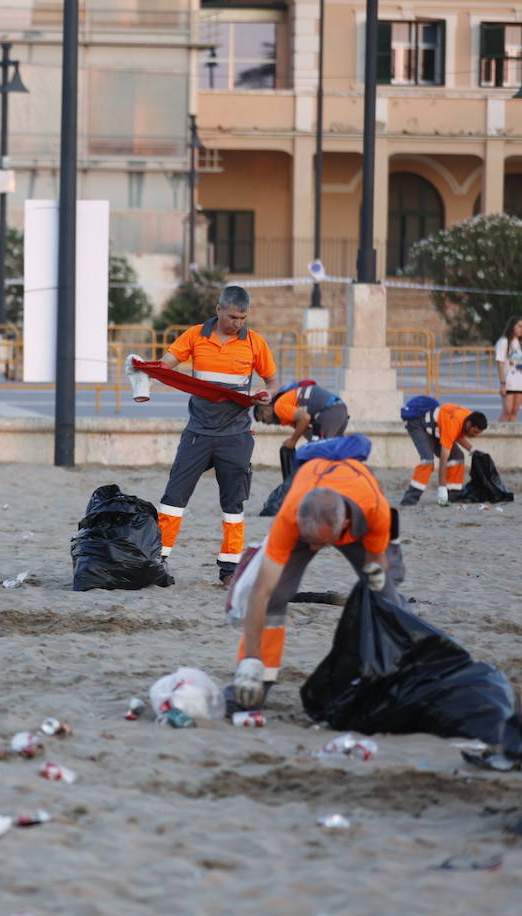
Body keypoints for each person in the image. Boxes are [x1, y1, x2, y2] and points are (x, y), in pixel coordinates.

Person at [230, 456, 403, 710]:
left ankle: (392, 672)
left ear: (343, 525)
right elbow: (260, 592)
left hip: (361, 518)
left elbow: (375, 559)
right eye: (309, 541)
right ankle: (258, 678)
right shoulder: (289, 518)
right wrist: (250, 660)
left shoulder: (373, 510)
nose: (314, 549)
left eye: (319, 544)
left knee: (386, 594)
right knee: (274, 595)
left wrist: (376, 573)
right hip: (310, 504)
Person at [155, 286, 277, 585]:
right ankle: (157, 558)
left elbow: (272, 381)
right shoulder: (195, 335)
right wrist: (147, 370)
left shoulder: (255, 342)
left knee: (233, 505)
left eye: (243, 318)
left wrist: (266, 396)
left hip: (236, 435)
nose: (238, 323)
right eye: (233, 316)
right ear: (218, 309)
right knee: (173, 498)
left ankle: (229, 569)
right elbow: (165, 366)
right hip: (197, 433)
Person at [401, 402, 488, 506]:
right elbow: (443, 459)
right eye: (474, 432)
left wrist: (472, 449)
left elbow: (457, 434)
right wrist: (442, 487)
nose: (475, 436)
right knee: (427, 461)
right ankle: (409, 499)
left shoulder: (468, 417)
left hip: (436, 429)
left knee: (457, 457)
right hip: (418, 425)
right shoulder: (453, 423)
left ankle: (453, 494)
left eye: (478, 433)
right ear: (469, 424)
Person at [253, 382, 349, 448]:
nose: (267, 423)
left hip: (330, 411)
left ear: (267, 408)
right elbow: (306, 430)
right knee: (332, 451)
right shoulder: (289, 413)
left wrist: (292, 441)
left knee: (319, 453)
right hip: (339, 411)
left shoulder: (279, 407)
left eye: (263, 419)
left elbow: (305, 418)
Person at [496, 315, 522, 423]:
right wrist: (503, 383)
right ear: (512, 326)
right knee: (507, 411)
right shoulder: (504, 342)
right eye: (520, 326)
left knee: (514, 411)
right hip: (509, 382)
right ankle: (499, 436)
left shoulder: (520, 343)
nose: (521, 329)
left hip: (519, 382)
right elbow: (500, 364)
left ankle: (511, 438)